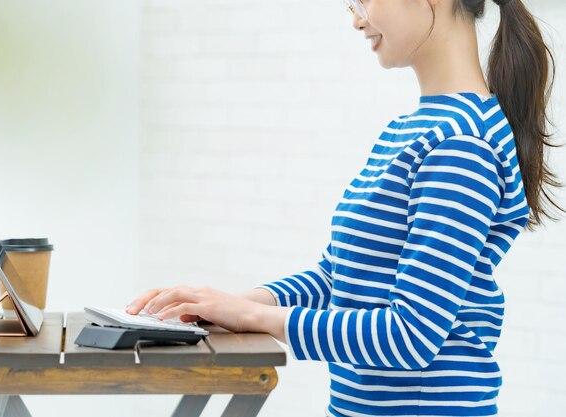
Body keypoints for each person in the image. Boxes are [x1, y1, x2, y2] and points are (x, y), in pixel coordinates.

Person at [127, 0, 564, 415]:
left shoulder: (460, 146)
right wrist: (230, 304)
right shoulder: (414, 129)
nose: (357, 19)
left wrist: (255, 317)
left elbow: (410, 336)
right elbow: (339, 275)